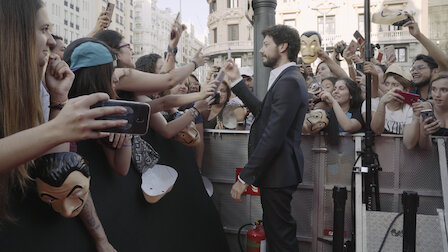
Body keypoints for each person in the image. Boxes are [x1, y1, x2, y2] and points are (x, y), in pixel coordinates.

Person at [224, 24, 307, 251]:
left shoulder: (289, 80)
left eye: (266, 44)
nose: (261, 50)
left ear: (283, 47)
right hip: (277, 172)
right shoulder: (286, 77)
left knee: (281, 238)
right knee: (277, 233)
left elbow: (273, 136)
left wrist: (244, 179)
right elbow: (264, 113)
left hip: (279, 172)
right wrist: (236, 81)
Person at [365, 64, 414, 135]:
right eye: (387, 84)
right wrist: (382, 103)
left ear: (406, 90)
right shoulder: (375, 103)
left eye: (395, 85)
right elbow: (377, 130)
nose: (389, 88)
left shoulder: (410, 109)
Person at [418, 72, 448, 149]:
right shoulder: (426, 108)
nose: (437, 95)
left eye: (444, 90)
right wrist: (425, 134)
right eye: (434, 89)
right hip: (432, 158)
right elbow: (423, 147)